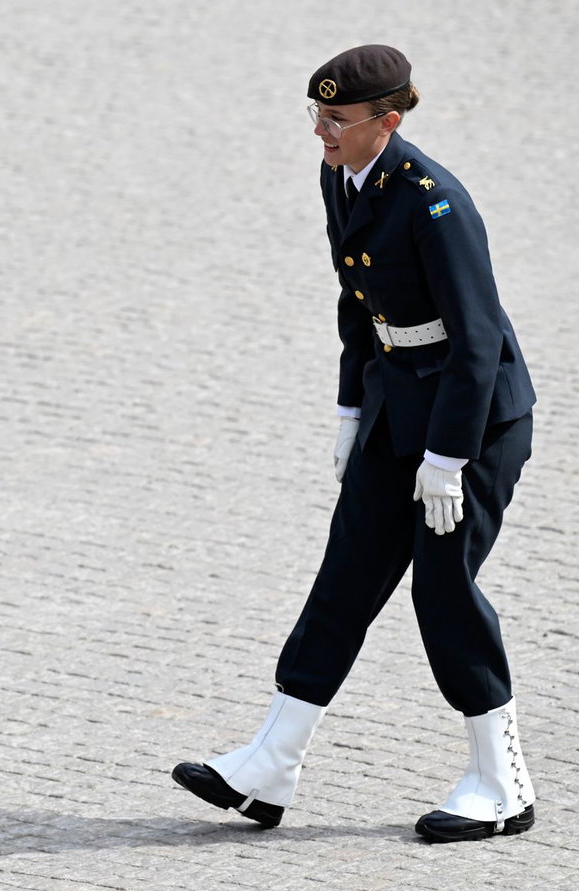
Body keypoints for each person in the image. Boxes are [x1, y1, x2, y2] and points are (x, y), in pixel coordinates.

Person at [171, 45, 537, 844]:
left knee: (442, 592)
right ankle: (273, 762)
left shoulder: (435, 203)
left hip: (471, 422)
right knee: (343, 582)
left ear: (389, 121)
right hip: (393, 404)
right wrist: (348, 410)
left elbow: (477, 343)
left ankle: (502, 782)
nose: (320, 133)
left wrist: (447, 461)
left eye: (335, 120)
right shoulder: (344, 176)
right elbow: (359, 299)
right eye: (316, 116)